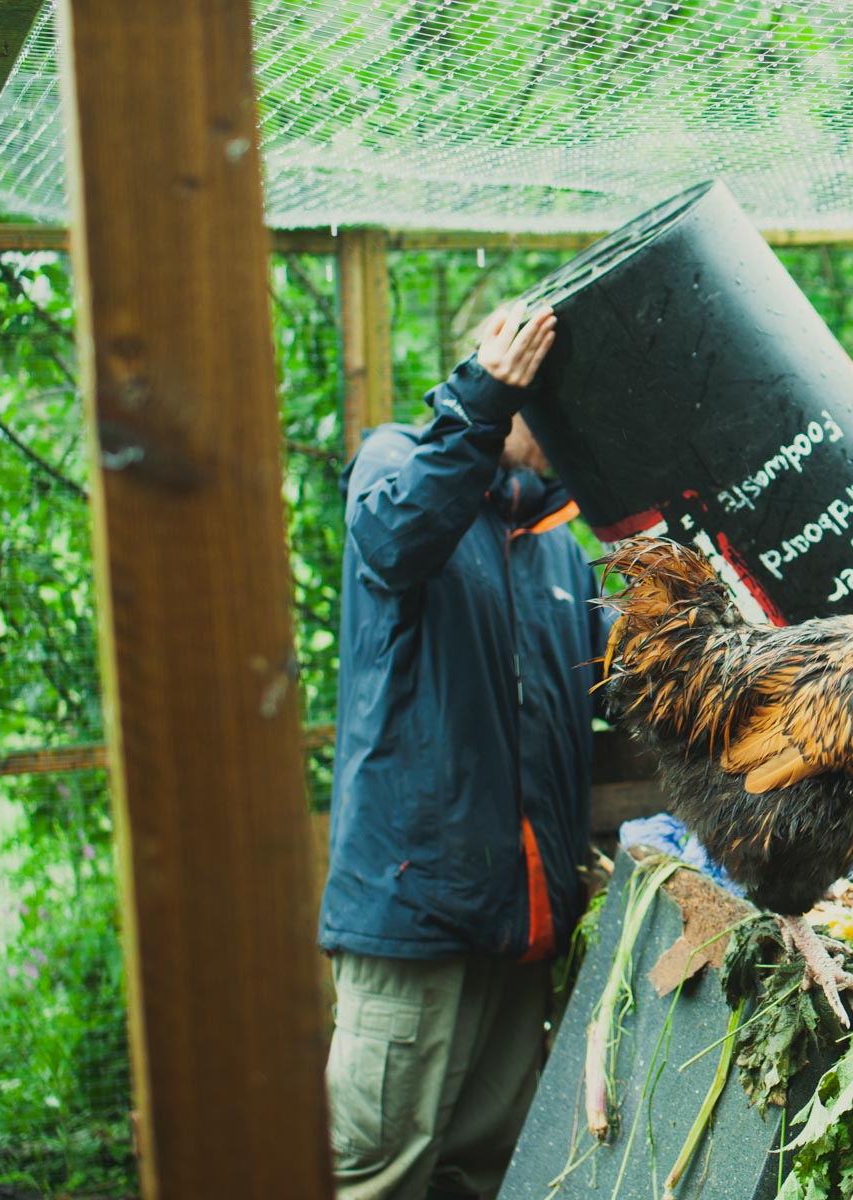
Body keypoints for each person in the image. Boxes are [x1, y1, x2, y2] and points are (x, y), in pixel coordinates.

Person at [318, 302, 607, 1200]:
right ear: (509, 391)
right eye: (546, 401)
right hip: (418, 924)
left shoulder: (560, 549)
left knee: (484, 1172)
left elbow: (621, 676)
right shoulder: (400, 466)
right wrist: (481, 399)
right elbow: (401, 534)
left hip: (521, 927)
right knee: (376, 1173)